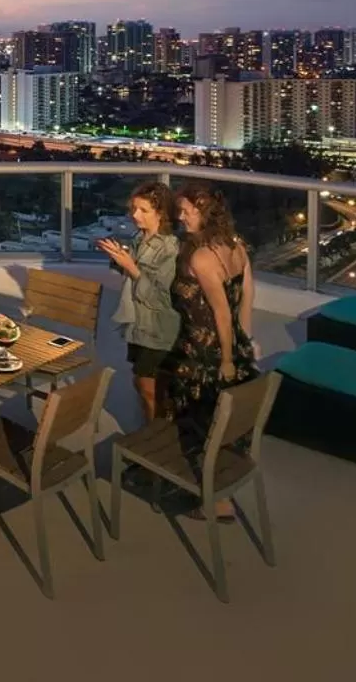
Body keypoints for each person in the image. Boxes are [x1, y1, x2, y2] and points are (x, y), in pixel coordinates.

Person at [161, 182, 259, 516]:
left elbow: (219, 311)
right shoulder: (236, 246)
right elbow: (245, 297)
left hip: (203, 355)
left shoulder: (202, 258)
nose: (181, 216)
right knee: (221, 423)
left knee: (199, 422)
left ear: (206, 213)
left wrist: (227, 360)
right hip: (232, 347)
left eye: (188, 211)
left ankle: (213, 500)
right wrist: (244, 342)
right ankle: (216, 492)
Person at [97, 181, 180, 421]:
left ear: (161, 213)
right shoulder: (139, 238)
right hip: (139, 325)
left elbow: (159, 296)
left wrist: (130, 266)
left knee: (147, 385)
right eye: (134, 209)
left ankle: (154, 437)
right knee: (142, 381)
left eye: (143, 210)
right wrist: (116, 257)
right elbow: (131, 275)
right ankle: (152, 428)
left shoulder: (170, 248)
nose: (135, 215)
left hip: (158, 327)